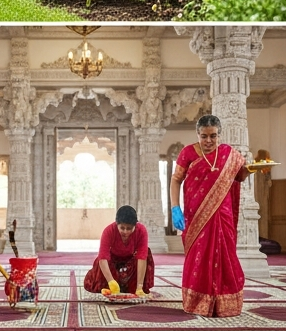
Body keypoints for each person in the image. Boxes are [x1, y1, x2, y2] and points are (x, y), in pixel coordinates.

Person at [169, 114, 249, 317]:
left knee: (225, 256)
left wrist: (253, 170)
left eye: (213, 136)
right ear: (198, 134)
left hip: (223, 215)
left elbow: (239, 175)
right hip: (196, 216)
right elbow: (176, 180)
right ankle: (198, 303)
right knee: (199, 258)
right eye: (204, 136)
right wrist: (174, 207)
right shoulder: (188, 153)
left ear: (219, 134)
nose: (208, 141)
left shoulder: (228, 153)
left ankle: (224, 304)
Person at [83, 205, 155, 296]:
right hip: (113, 262)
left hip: (130, 263)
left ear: (135, 226)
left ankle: (132, 287)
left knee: (147, 253)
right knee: (99, 261)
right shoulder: (109, 231)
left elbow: (142, 257)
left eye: (129, 228)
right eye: (122, 228)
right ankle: (113, 285)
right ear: (117, 224)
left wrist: (139, 286)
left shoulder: (141, 231)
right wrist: (110, 281)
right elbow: (103, 257)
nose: (125, 232)